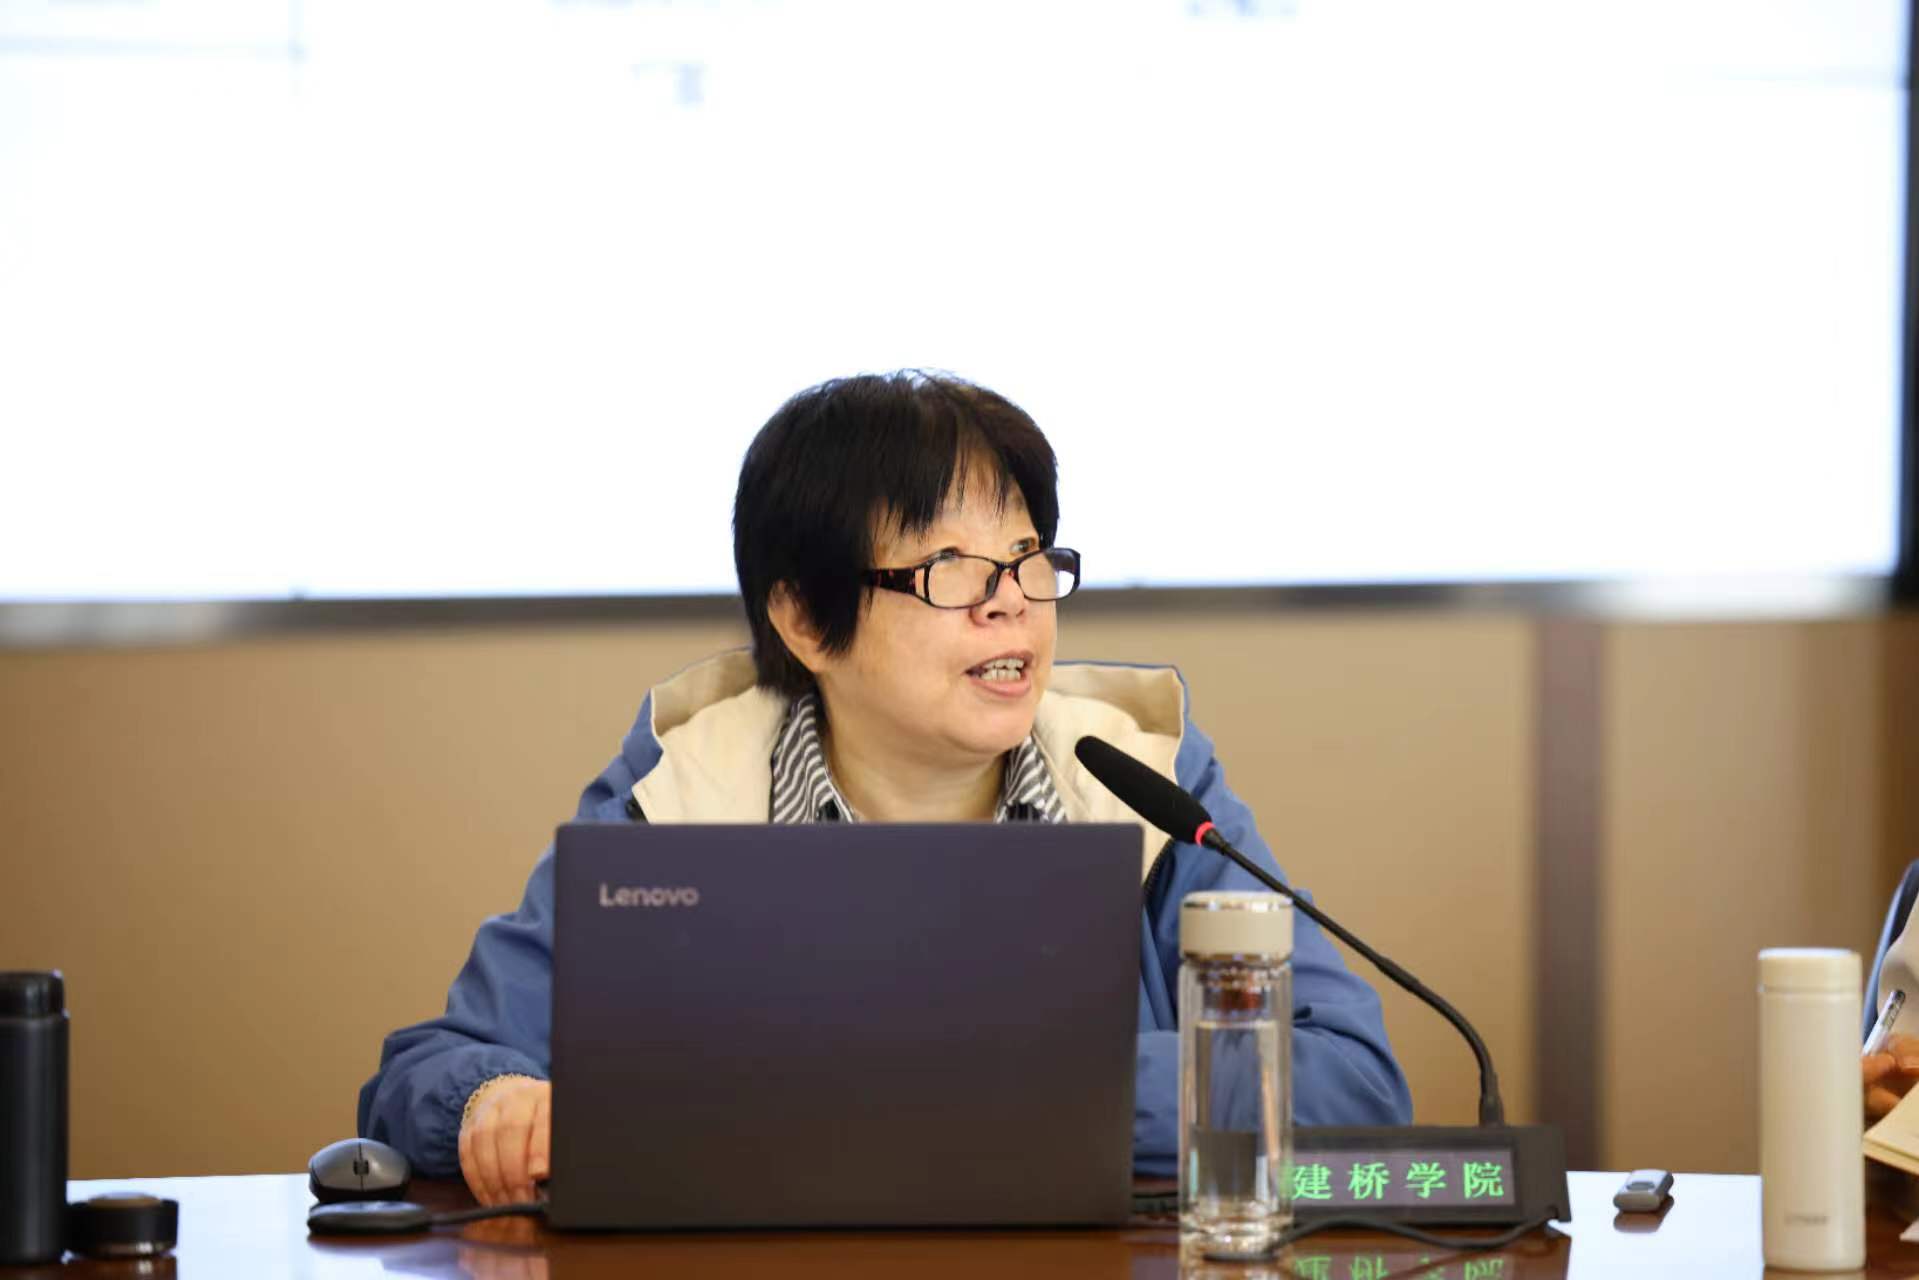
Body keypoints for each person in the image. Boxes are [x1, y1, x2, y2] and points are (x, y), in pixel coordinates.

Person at [357, 371, 1413, 1206]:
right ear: (804, 621)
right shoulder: (682, 785)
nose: (1011, 605)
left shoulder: (1145, 781)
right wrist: (492, 1102)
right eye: (950, 567)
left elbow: (1349, 1082)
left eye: (1028, 558)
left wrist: (961, 1086)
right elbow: (433, 1067)